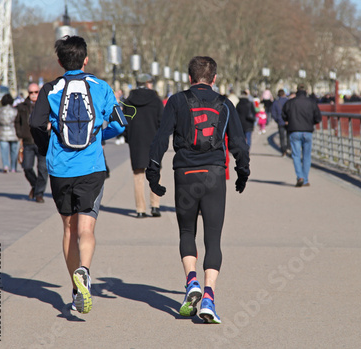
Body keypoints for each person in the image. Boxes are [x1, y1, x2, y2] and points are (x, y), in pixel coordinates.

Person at [146, 56, 250, 324]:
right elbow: (238, 141)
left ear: (189, 77)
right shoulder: (225, 104)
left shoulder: (177, 101)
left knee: (187, 231)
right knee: (213, 238)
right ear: (214, 78)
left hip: (185, 173)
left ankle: (191, 280)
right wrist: (242, 171)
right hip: (214, 174)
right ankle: (208, 298)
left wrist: (153, 172)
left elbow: (161, 138)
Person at [30, 35, 125, 314]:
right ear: (85, 59)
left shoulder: (51, 88)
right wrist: (99, 136)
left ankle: (75, 289)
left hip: (60, 169)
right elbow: (120, 124)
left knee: (69, 228)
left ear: (59, 61)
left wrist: (48, 146)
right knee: (87, 229)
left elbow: (36, 123)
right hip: (92, 168)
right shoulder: (101, 86)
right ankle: (85, 270)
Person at [122, 73, 164, 218]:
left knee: (138, 175)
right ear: (147, 84)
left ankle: (140, 209)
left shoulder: (128, 101)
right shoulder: (156, 100)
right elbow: (162, 122)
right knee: (155, 173)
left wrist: (128, 138)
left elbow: (124, 123)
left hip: (136, 141)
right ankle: (155, 206)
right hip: (153, 140)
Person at [282, 84, 321, 187]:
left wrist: (288, 121)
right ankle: (305, 179)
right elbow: (318, 118)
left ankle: (300, 177)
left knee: (296, 155)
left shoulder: (290, 102)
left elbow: (283, 115)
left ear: (297, 90)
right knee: (307, 156)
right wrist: (311, 122)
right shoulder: (311, 102)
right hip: (307, 131)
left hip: (294, 130)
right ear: (306, 91)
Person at [15, 83, 48, 203]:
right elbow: (17, 122)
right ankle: (35, 185)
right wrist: (20, 134)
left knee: (43, 169)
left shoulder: (46, 105)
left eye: (36, 92)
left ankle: (39, 194)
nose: (34, 95)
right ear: (28, 93)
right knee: (27, 167)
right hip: (28, 141)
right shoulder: (22, 107)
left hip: (43, 142)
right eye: (31, 92)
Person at [0, 93, 19, 173]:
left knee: (4, 151)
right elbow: (18, 122)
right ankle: (13, 167)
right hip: (14, 133)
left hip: (2, 133)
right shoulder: (15, 111)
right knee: (14, 151)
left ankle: (5, 166)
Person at [271, 89, 289, 156]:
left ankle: (283, 150)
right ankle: (288, 148)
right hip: (288, 121)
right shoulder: (288, 101)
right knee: (288, 135)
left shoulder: (276, 102)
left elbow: (273, 113)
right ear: (284, 94)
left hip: (280, 121)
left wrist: (277, 120)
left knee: (282, 137)